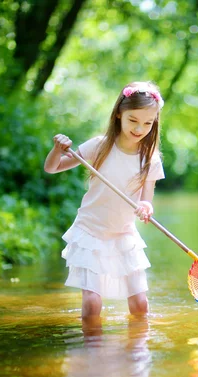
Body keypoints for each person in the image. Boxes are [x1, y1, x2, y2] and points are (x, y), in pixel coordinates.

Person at [44, 81, 165, 318]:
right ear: (119, 113)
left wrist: (145, 207)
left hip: (123, 235)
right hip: (91, 232)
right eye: (133, 120)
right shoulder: (99, 147)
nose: (140, 128)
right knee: (92, 305)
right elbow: (52, 167)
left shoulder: (150, 158)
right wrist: (58, 149)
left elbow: (146, 200)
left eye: (148, 123)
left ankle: (137, 351)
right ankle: (93, 353)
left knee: (140, 305)